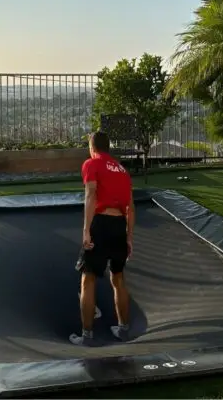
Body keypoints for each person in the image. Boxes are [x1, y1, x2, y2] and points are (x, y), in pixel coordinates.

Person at [69, 130, 135, 346]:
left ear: (92, 147)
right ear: (109, 148)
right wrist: (129, 237)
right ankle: (124, 330)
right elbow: (131, 208)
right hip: (119, 226)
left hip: (101, 224)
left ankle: (87, 336)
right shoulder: (122, 170)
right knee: (118, 278)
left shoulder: (91, 163)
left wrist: (86, 230)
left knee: (87, 280)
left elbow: (90, 195)